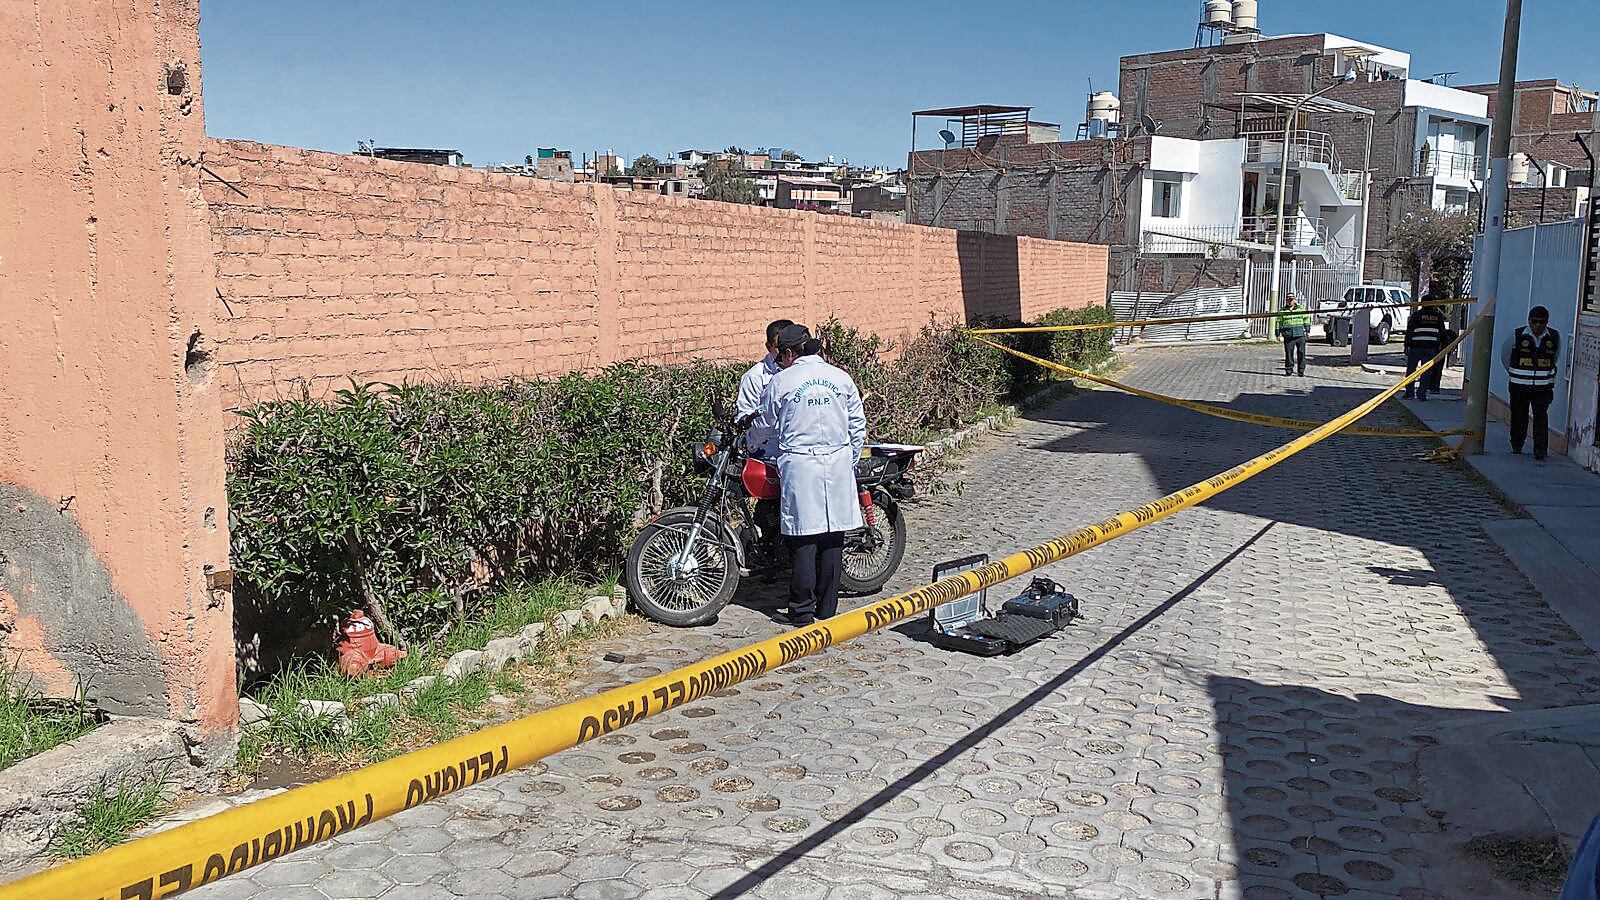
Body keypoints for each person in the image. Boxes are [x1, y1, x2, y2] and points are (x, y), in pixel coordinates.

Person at [758, 323, 867, 626]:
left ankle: (802, 610)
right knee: (833, 536)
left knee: (803, 537)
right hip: (837, 463)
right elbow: (857, 426)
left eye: (780, 355)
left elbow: (765, 423)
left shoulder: (782, 381)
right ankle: (827, 608)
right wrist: (849, 459)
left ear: (789, 353)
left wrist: (749, 442)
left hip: (801, 464)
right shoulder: (840, 378)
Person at [1502, 305, 1561, 460]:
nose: (1538, 325)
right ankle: (1517, 444)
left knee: (1541, 417)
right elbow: (1505, 356)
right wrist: (1515, 373)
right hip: (1519, 385)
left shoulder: (1553, 337)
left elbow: (1555, 358)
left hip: (1543, 387)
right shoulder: (1517, 335)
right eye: (1534, 321)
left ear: (1546, 322)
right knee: (1518, 416)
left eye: (1542, 322)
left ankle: (1540, 450)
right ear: (1529, 321)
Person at [736, 318, 794, 458]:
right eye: (778, 347)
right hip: (768, 455)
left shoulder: (803, 373)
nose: (784, 353)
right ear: (768, 347)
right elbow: (745, 417)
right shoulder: (754, 377)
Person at [1402, 295, 1449, 401]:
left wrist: (1406, 346)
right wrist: (1444, 346)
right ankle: (1421, 394)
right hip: (1431, 348)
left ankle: (1409, 393)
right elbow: (1442, 333)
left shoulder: (1416, 315)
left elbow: (1409, 332)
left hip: (1415, 347)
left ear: (1422, 304)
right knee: (1426, 372)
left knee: (1411, 370)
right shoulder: (1437, 317)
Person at [1276, 292, 1310, 377]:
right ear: (1286, 301)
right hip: (1288, 335)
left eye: (1291, 300)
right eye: (1288, 300)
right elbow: (1278, 322)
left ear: (1294, 300)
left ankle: (1301, 371)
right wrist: (1277, 334)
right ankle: (1289, 370)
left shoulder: (1301, 308)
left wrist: (1307, 330)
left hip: (1299, 334)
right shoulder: (1282, 310)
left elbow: (1306, 319)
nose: (1290, 302)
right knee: (1289, 354)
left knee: (1301, 353)